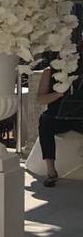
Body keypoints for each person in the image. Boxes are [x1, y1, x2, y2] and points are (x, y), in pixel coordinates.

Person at [37, 44, 83, 187]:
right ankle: (51, 171)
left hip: (80, 117)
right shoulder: (49, 72)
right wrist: (60, 93)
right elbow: (40, 99)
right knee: (44, 121)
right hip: (57, 117)